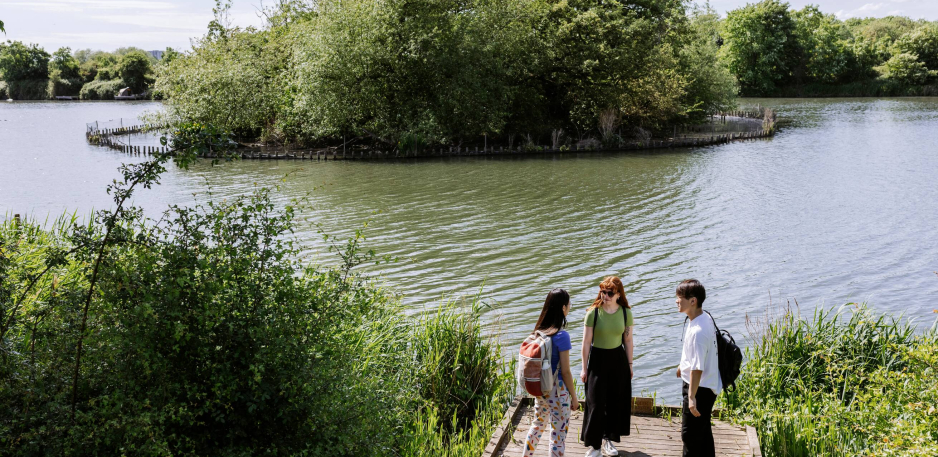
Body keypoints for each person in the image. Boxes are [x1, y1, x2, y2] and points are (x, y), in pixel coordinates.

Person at [521, 288, 579, 457]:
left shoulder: (538, 333)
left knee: (537, 425)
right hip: (558, 391)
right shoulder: (562, 336)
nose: (570, 307)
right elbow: (566, 372)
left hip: (541, 389)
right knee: (558, 435)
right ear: (562, 308)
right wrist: (574, 398)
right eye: (569, 304)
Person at [580, 276, 634, 457]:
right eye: (603, 291)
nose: (605, 295)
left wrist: (630, 365)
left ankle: (608, 440)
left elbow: (628, 340)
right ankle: (594, 445)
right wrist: (583, 368)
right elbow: (586, 342)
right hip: (597, 360)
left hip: (618, 360)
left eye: (610, 292)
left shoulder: (626, 313)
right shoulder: (593, 313)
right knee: (595, 403)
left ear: (619, 294)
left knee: (614, 402)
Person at [675, 279, 722, 457]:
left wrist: (692, 397)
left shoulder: (698, 331)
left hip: (699, 389)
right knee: (702, 433)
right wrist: (682, 364)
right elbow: (695, 354)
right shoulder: (702, 317)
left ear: (693, 301)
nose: (677, 301)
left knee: (690, 436)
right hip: (706, 386)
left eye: (680, 297)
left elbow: (697, 368)